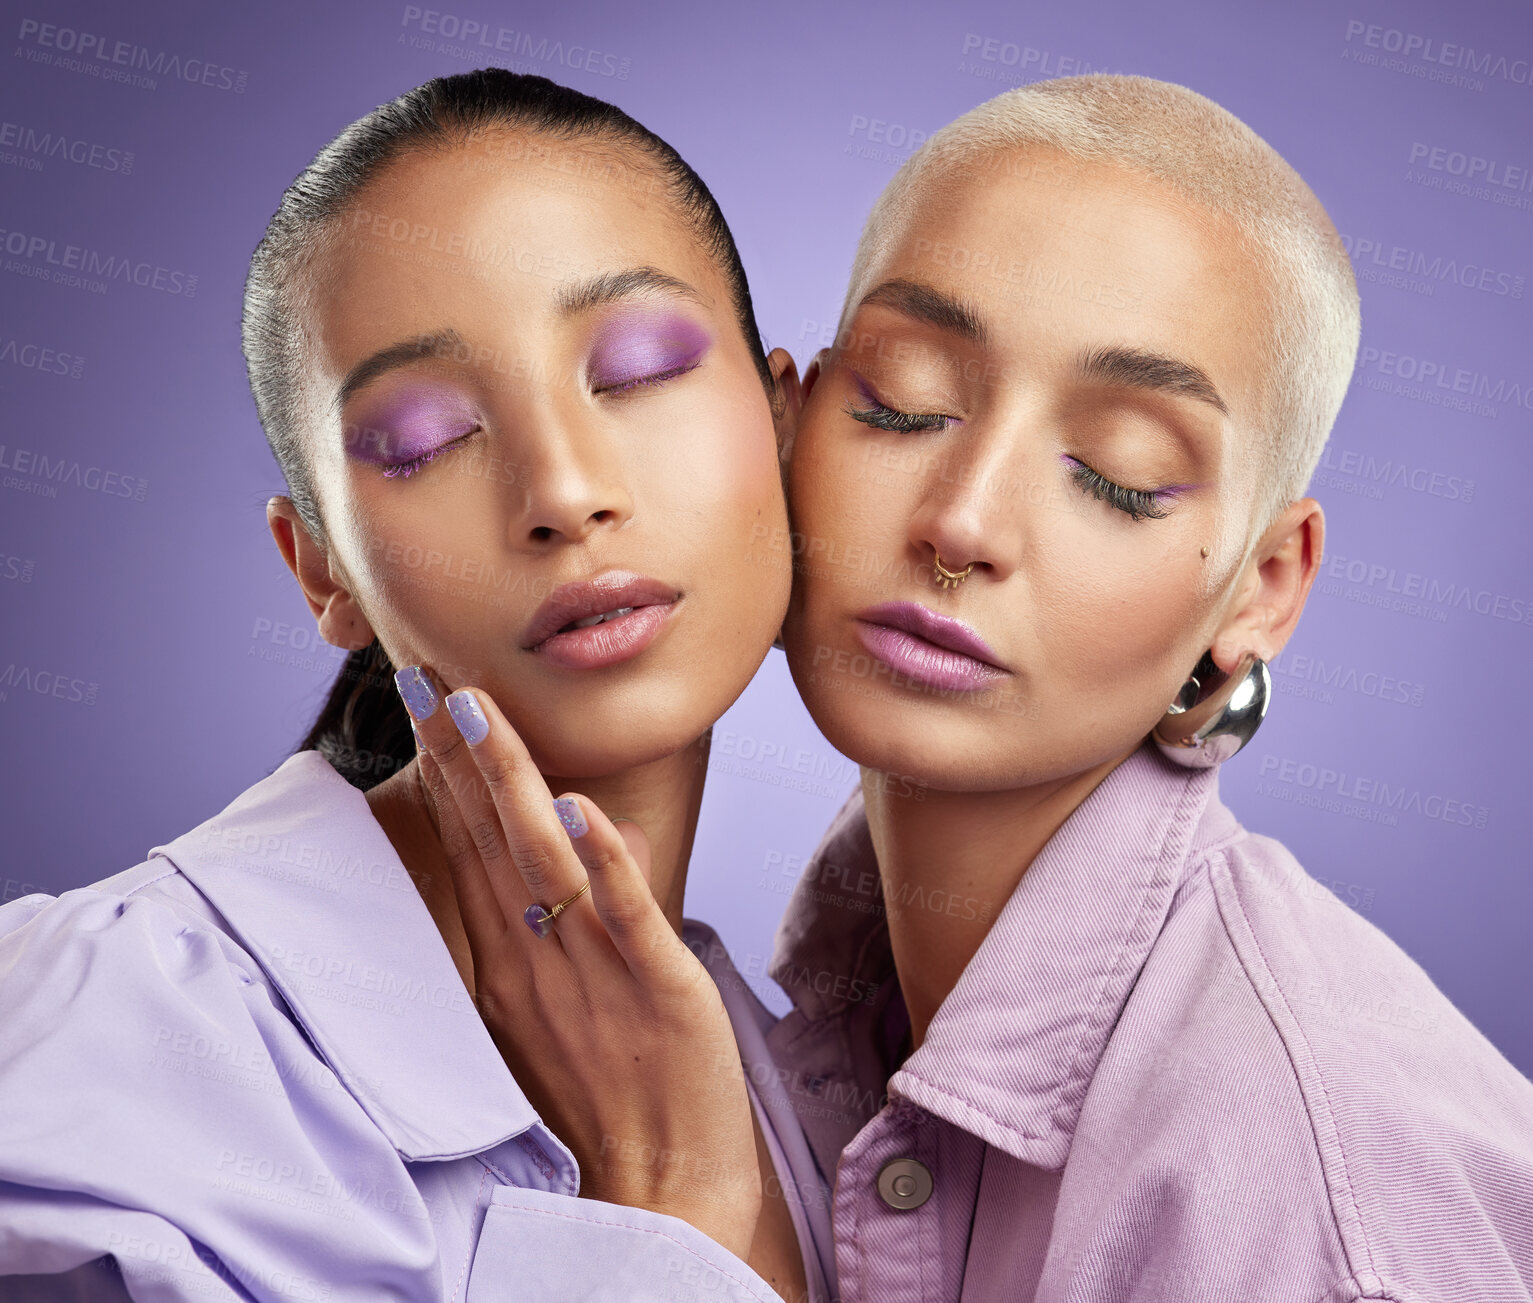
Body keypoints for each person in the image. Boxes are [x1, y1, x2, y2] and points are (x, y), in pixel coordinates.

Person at [0, 70, 831, 1302]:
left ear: (781, 422)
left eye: (641, 367)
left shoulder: (813, 1098)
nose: (562, 491)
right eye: (426, 439)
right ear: (322, 570)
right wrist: (671, 1210)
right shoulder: (93, 1036)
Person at [766, 74, 1533, 1301]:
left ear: (1261, 587)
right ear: (786, 424)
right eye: (903, 400)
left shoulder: (1304, 1188)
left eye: (1117, 475)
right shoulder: (832, 998)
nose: (960, 522)